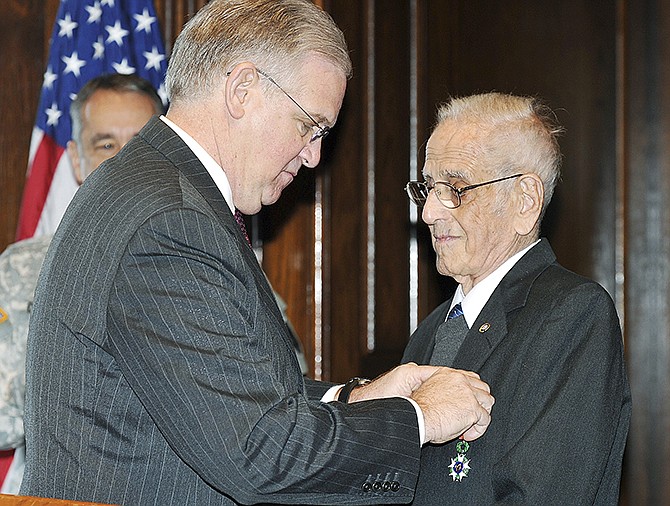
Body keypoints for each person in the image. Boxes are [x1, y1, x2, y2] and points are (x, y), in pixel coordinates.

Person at [20, 1, 494, 505]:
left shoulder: (153, 188)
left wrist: (355, 399)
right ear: (242, 89)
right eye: (309, 125)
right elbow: (258, 455)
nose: (313, 155)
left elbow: (222, 392)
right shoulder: (169, 221)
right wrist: (420, 417)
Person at [402, 92, 631, 504]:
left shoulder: (573, 316)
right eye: (428, 188)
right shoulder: (430, 331)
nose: (430, 212)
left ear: (525, 201)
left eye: (455, 188)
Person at [0, 73, 164, 494]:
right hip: (56, 492)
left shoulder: (209, 261)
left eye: (142, 143)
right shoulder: (25, 270)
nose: (125, 161)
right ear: (76, 159)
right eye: (106, 144)